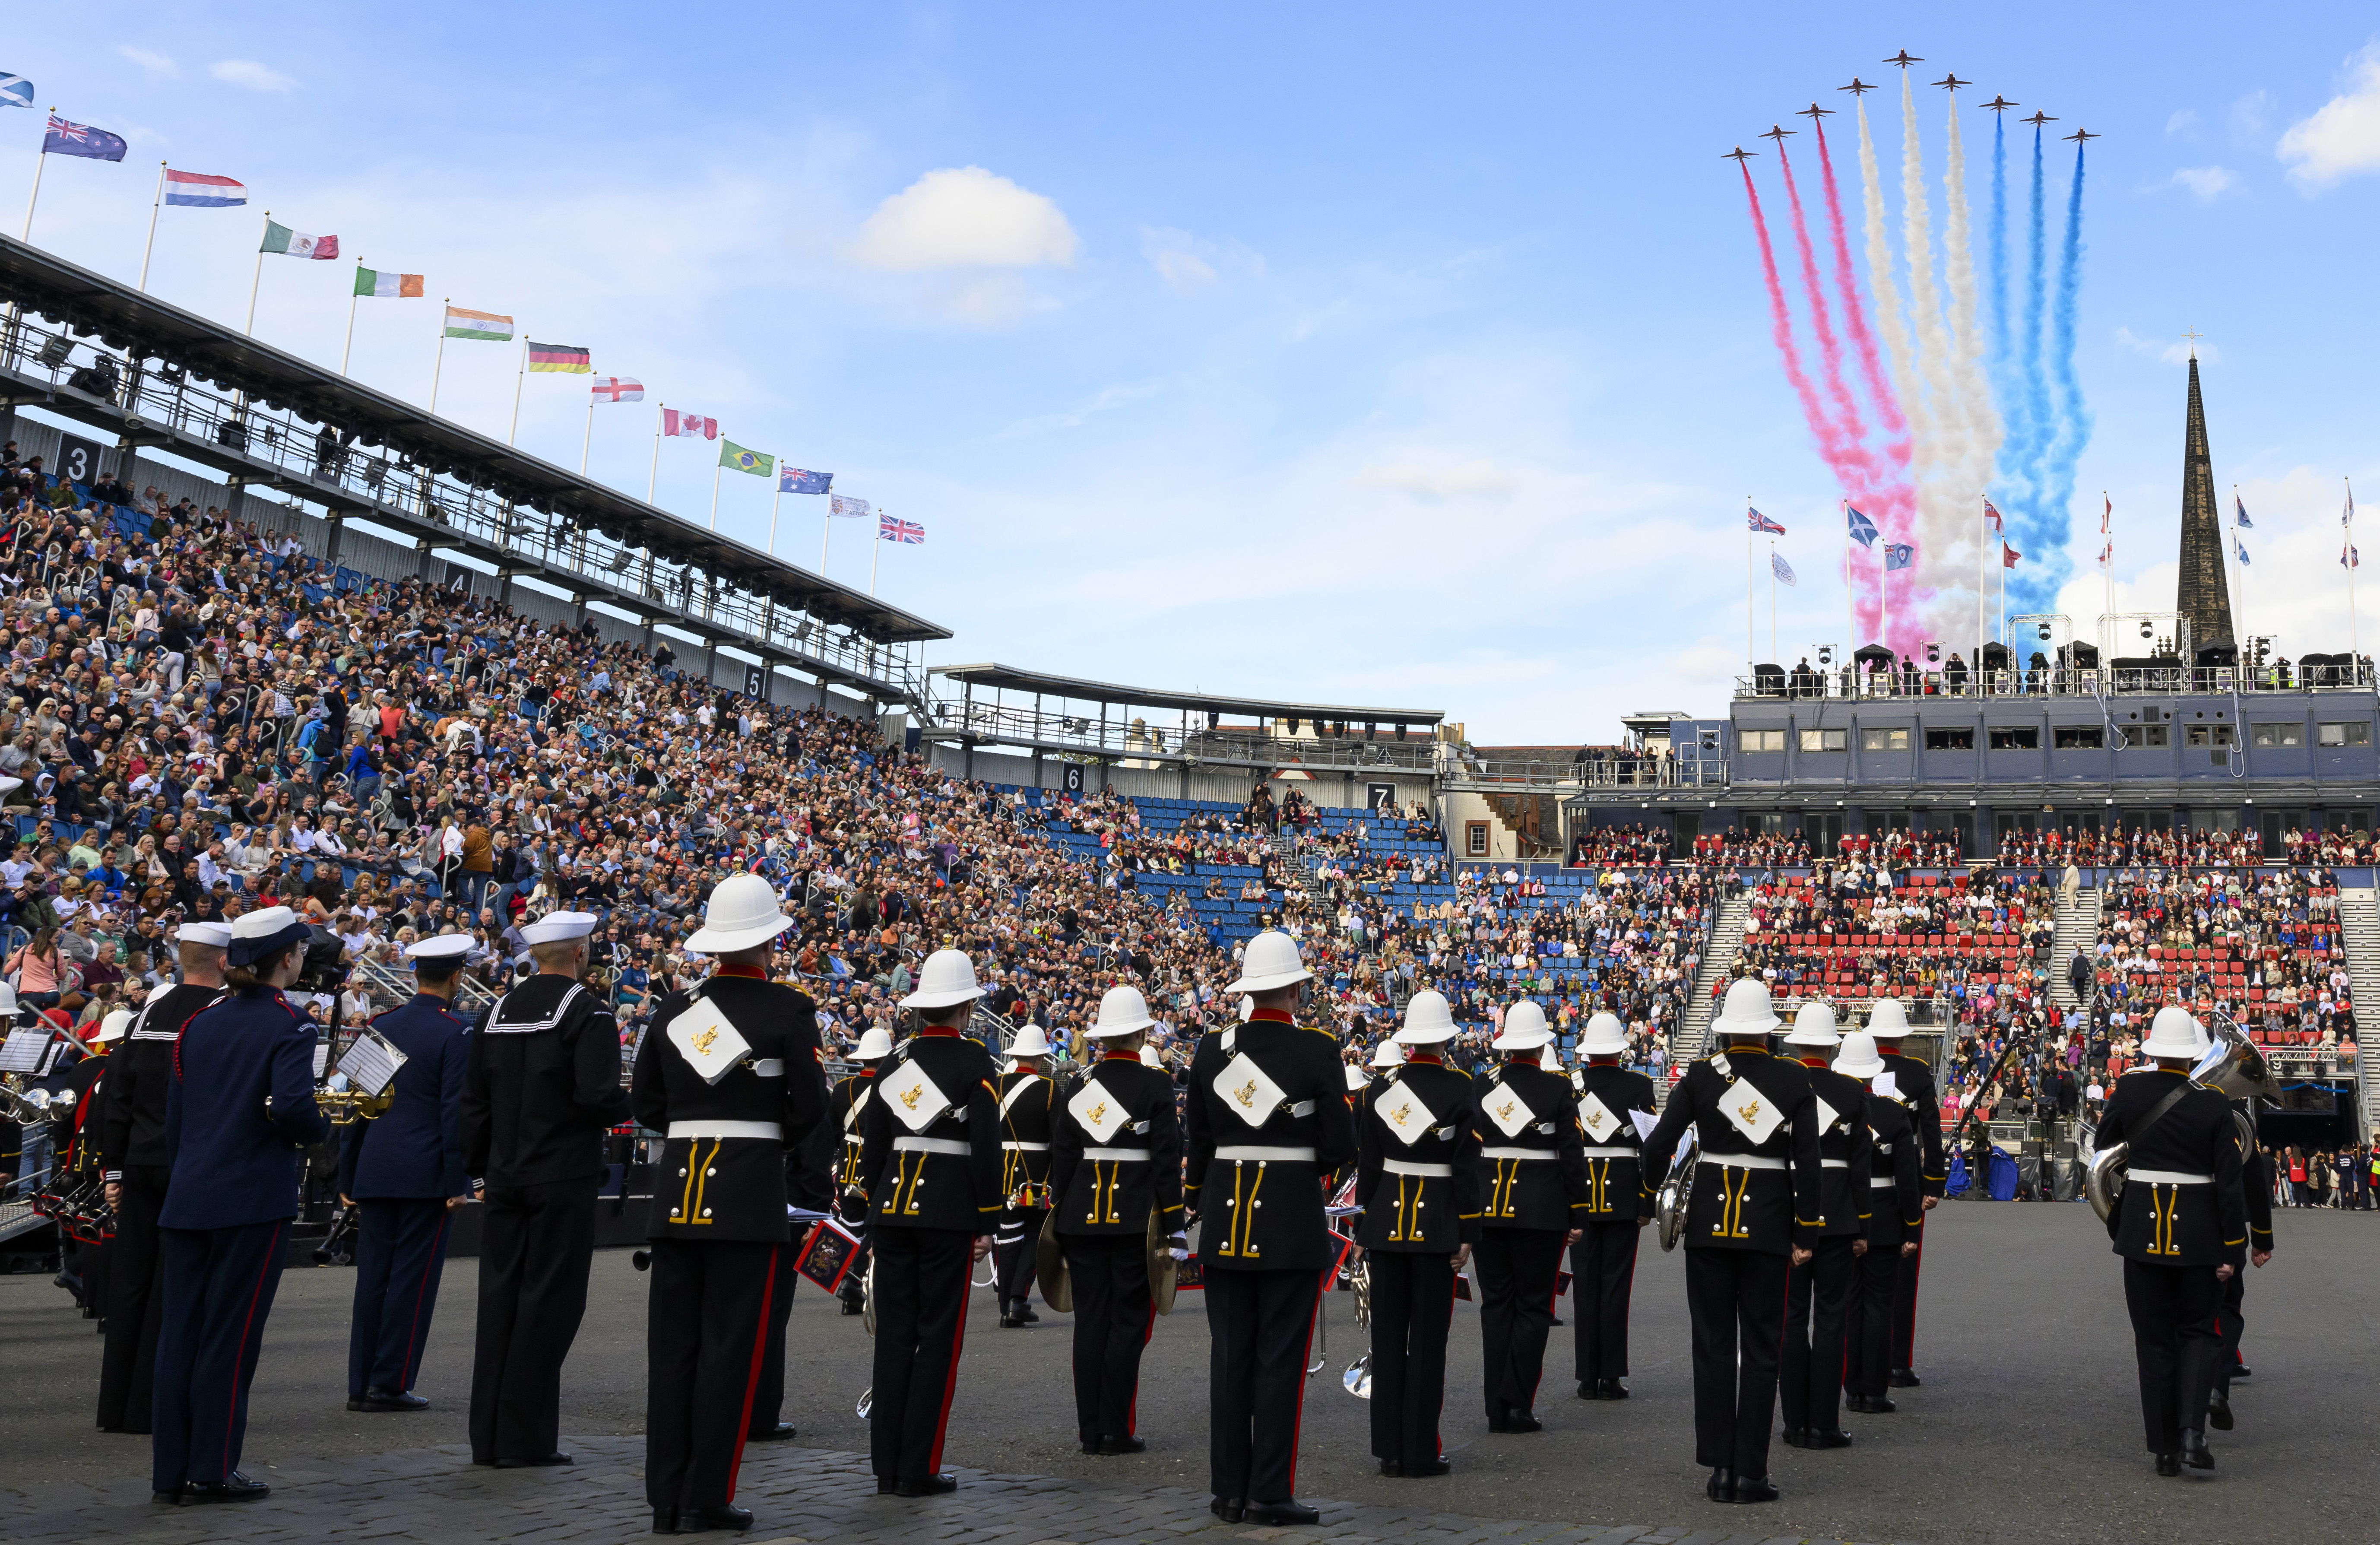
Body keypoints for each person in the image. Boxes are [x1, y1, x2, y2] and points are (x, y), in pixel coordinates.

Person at [633, 873, 829, 1534]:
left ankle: (665, 1497)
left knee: (672, 1351)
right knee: (729, 1351)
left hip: (677, 1195)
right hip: (747, 1197)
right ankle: (705, 1494)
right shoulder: (788, 1011)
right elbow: (810, 1109)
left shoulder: (676, 1010)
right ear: (772, 938)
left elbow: (647, 1104)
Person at [149, 906, 333, 1505]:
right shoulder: (291, 1023)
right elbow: (295, 1110)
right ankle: (212, 1469)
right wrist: (321, 1129)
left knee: (180, 1335)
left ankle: (170, 1470)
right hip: (251, 1198)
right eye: (301, 950)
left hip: (190, 1196)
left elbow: (177, 1123)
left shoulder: (199, 1022)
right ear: (287, 957)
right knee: (231, 1336)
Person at [1183, 931, 1358, 1526]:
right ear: (1293, 987)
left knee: (1229, 1358)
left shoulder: (1211, 1051)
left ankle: (1227, 1491)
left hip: (1225, 1220)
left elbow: (1199, 1143)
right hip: (1288, 1221)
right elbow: (1339, 1142)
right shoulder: (1316, 1050)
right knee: (1279, 1361)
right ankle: (1269, 1492)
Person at [1636, 977, 1823, 1506]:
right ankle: (1751, 1474)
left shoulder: (1700, 1077)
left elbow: (1659, 1146)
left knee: (1714, 1347)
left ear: (1724, 1032)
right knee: (1763, 1349)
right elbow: (1807, 1167)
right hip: (1767, 1228)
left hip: (1708, 1228)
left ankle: (1720, 1468)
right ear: (1767, 1032)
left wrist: (1654, 1193)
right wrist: (1806, 1229)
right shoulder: (1793, 1081)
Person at [459, 909, 632, 1469]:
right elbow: (599, 1097)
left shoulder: (495, 1011)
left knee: (499, 1303)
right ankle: (525, 1438)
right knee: (548, 1306)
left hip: (506, 1176)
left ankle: (487, 1437)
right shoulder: (587, 1013)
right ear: (580, 953)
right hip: (561, 1177)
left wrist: (481, 1169)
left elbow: (474, 1103)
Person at [855, 949, 1003, 1497]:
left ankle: (886, 1466)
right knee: (937, 1339)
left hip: (892, 1209)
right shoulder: (975, 1063)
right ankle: (918, 1465)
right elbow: (986, 1149)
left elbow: (874, 1149)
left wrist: (876, 1205)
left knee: (893, 1336)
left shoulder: (894, 1062)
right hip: (947, 1215)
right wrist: (988, 1219)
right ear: (965, 1007)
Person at [2097, 1006, 2246, 1476]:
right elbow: (2229, 1183)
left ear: (2154, 1051)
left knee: (2153, 1341)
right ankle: (2192, 1436)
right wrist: (2233, 1248)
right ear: (2194, 1054)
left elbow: (2105, 1141)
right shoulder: (2216, 1101)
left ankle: (2163, 1447)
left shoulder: (2130, 1089)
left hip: (2141, 1232)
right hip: (2202, 1235)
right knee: (2198, 1334)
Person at [95, 922, 228, 1435]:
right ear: (222, 962)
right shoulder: (216, 1013)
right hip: (187, 1165)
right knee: (174, 1287)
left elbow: (118, 1098)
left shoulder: (147, 1013)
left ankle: (116, 1407)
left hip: (139, 1165)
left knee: (131, 1283)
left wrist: (114, 1170)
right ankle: (152, 1405)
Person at [337, 934, 475, 1414]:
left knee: (373, 1278)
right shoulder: (455, 1032)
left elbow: (358, 1104)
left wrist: (346, 1173)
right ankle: (390, 1381)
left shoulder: (382, 1024)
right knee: (412, 1281)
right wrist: (459, 1180)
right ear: (457, 977)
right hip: (425, 1173)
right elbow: (452, 1113)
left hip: (375, 1167)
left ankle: (361, 1382)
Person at [1046, 983, 1184, 1455]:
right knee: (1128, 1324)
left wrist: (1059, 1212)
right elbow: (1167, 1160)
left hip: (1080, 1217)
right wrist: (1175, 1221)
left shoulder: (1081, 1084)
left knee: (1090, 1323)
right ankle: (1116, 1428)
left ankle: (1090, 1430)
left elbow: (1063, 1157)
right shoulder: (1156, 1084)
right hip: (1133, 1220)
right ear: (1143, 1030)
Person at [1352, 990, 1480, 1477]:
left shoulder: (1377, 1091)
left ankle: (1388, 1448)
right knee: (1429, 1342)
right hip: (1439, 1227)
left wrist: (1362, 1226)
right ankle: (1421, 1450)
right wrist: (1469, 1230)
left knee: (1386, 1339)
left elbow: (1367, 1166)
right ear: (1446, 1040)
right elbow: (1467, 1168)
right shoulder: (1461, 1087)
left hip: (1385, 1225)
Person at [1470, 999, 1588, 1436]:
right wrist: (1579, 1211)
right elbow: (1572, 1157)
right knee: (1535, 1307)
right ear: (1541, 1047)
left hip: (1486, 1206)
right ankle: (1517, 1402)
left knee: (1496, 1305)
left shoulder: (1482, 1085)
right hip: (1542, 1209)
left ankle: (1494, 1407)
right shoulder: (1557, 1089)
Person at [1776, 1003, 1870, 1451]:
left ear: (1796, 1044)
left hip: (1790, 1211)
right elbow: (1860, 1169)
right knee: (1832, 1320)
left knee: (1791, 1318)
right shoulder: (1852, 1093)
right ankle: (1823, 1424)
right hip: (1838, 1213)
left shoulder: (1783, 1085)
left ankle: (1794, 1421)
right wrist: (1861, 1225)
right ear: (1832, 1047)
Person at [1568, 1010, 1654, 1402]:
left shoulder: (1570, 1087)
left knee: (1585, 1286)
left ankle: (1586, 1376)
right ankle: (1609, 1377)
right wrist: (1646, 1199)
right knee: (1616, 1287)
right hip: (1622, 1194)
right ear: (1620, 1049)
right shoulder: (1638, 1084)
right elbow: (1651, 1149)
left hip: (1580, 1196)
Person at [1838, 1031, 1921, 1414]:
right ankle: (1873, 1389)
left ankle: (1851, 1385)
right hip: (1886, 1214)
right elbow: (1907, 1175)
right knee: (1879, 1303)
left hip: (1843, 1211)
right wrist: (1911, 1225)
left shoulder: (1833, 1106)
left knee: (1850, 1302)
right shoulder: (1892, 1110)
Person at [1863, 998, 1943, 1386]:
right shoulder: (1916, 1072)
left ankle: (1859, 1358)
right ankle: (1897, 1361)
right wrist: (1933, 1183)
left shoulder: (1853, 1068)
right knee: (1903, 1275)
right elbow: (1931, 1131)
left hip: (1859, 1177)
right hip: (1905, 1179)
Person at [2209, 1098, 2275, 1434]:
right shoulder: (2230, 1112)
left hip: (2163, 1229)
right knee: (2226, 1308)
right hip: (2222, 1229)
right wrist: (2261, 1236)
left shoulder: (2150, 1098)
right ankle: (2216, 1384)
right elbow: (2250, 1179)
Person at [993, 1022, 1059, 1328]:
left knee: (1006, 1238)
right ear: (1039, 1059)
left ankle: (1004, 1300)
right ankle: (1017, 1299)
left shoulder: (995, 1084)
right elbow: (1057, 1139)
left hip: (1001, 1171)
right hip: (1036, 1175)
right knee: (1034, 1236)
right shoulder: (1048, 1088)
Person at [826, 1027, 893, 1317]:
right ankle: (854, 1280)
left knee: (850, 1225)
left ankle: (848, 1290)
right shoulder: (891, 1089)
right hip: (876, 1164)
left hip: (847, 1165)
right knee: (876, 1225)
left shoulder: (842, 1089)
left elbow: (831, 1133)